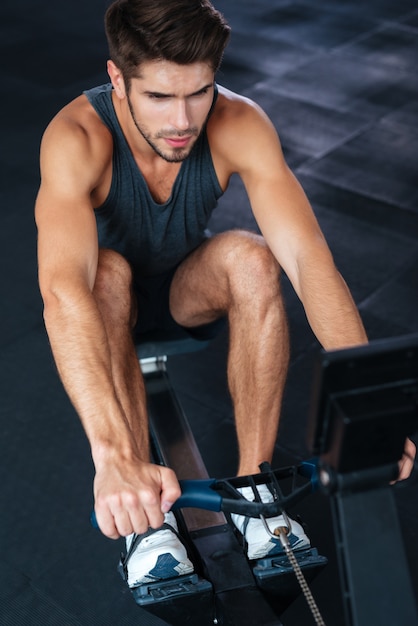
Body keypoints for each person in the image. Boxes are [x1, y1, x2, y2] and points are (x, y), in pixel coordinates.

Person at [35, 0, 415, 588]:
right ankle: (147, 521)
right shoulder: (76, 137)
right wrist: (110, 456)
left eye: (199, 92)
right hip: (107, 308)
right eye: (158, 97)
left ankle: (255, 490)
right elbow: (64, 294)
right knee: (104, 275)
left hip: (187, 291)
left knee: (254, 256)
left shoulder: (240, 122)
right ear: (117, 79)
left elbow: (309, 261)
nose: (182, 120)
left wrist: (366, 411)